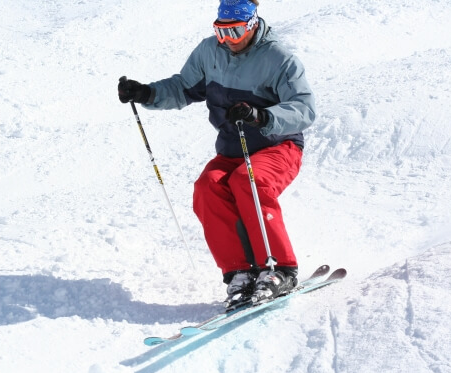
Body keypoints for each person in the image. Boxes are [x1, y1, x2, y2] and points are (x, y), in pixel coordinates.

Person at [118, 0, 315, 308]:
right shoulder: (210, 52)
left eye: (235, 32)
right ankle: (240, 273)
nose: (227, 40)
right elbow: (184, 88)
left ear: (251, 25)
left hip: (277, 145)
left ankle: (280, 269)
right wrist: (146, 93)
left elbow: (304, 109)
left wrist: (261, 116)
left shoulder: (279, 59)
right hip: (233, 148)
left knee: (248, 182)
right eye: (221, 32)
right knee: (208, 187)